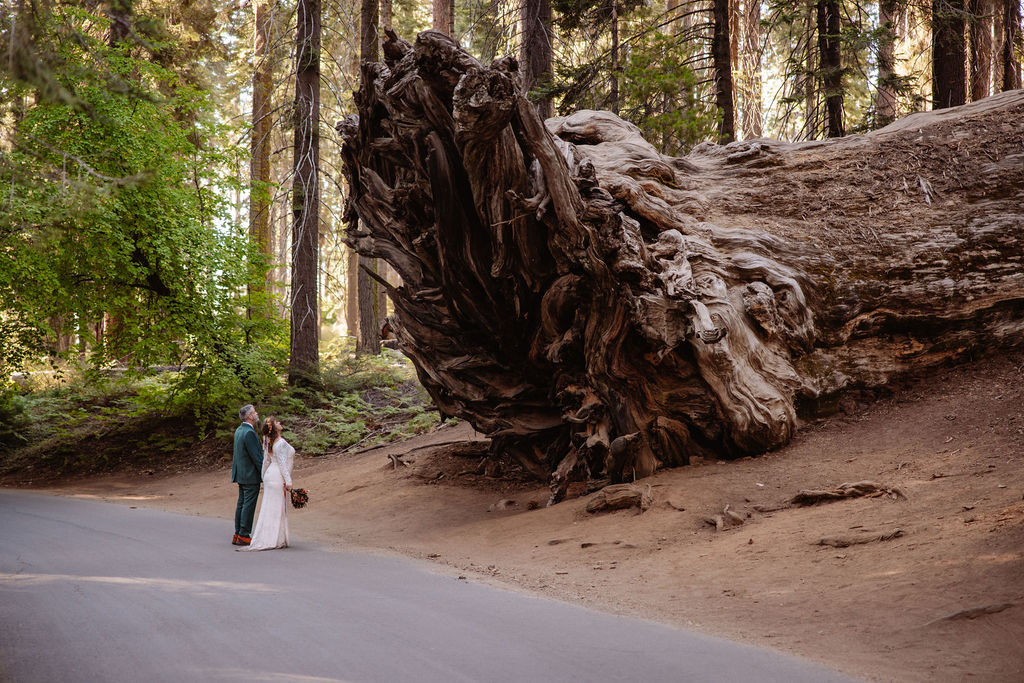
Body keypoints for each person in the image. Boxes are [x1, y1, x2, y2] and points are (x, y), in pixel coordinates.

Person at [239, 416, 294, 551]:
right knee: (277, 508)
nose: (280, 423)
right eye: (277, 422)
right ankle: (274, 539)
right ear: (275, 428)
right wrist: (288, 481)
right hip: (277, 476)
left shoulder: (267, 441)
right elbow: (282, 463)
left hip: (270, 475)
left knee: (270, 506)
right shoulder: (279, 443)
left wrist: (264, 476)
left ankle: (275, 537)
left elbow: (266, 461)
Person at [231, 404, 263, 546]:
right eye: (255, 412)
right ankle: (244, 534)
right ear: (250, 416)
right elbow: (256, 457)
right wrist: (265, 473)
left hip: (241, 473)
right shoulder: (249, 433)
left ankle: (237, 533)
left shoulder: (239, 430)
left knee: (242, 503)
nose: (256, 414)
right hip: (250, 474)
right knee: (248, 505)